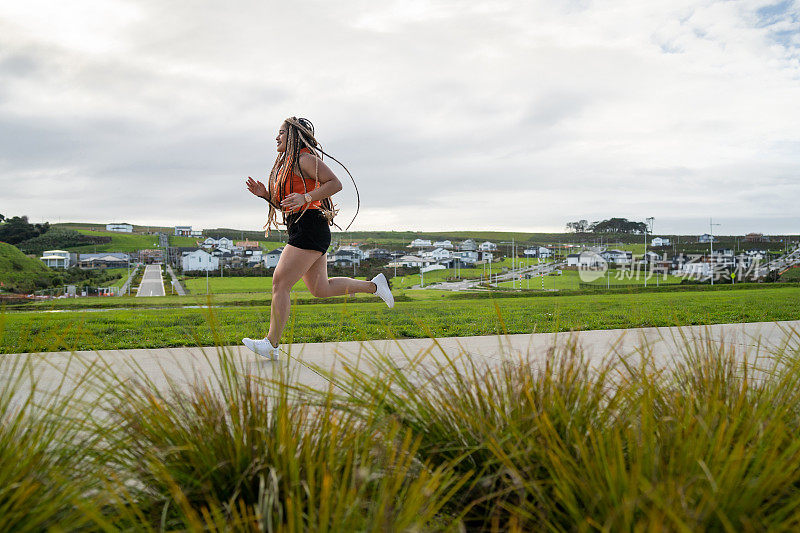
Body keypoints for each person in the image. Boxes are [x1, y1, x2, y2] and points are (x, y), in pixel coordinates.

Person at [242, 117, 393, 359]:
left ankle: (271, 344)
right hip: (303, 227)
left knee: (280, 283)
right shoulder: (288, 166)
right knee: (320, 289)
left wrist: (306, 197)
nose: (276, 137)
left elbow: (336, 183)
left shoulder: (305, 159)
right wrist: (266, 195)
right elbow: (287, 206)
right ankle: (375, 286)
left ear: (292, 136)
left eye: (281, 132)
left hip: (310, 227)